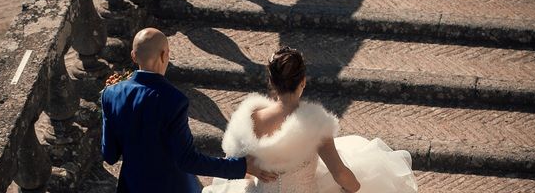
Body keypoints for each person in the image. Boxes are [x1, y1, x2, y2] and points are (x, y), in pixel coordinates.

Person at [203, 47, 418, 193]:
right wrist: (358, 189)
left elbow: (237, 164)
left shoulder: (251, 118)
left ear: (271, 81)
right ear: (303, 82)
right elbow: (340, 173)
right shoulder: (314, 124)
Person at [101, 27, 278, 193]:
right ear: (164, 55)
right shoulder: (173, 100)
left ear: (133, 56)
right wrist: (242, 166)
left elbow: (109, 155)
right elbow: (188, 160)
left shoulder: (111, 94)